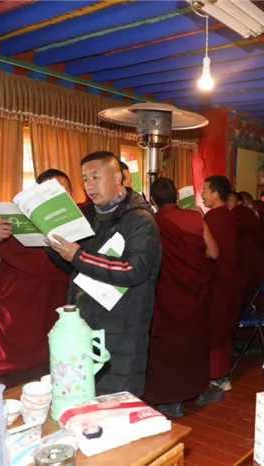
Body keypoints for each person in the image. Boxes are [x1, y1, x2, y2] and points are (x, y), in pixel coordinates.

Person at [46, 151, 161, 397]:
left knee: (116, 404)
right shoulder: (89, 216)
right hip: (84, 324)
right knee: (81, 398)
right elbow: (78, 269)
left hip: (122, 329)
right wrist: (55, 248)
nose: (89, 185)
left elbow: (133, 270)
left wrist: (78, 255)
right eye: (85, 179)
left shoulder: (139, 219)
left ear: (117, 178)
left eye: (95, 177)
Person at [0, 169, 72, 378]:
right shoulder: (17, 226)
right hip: (16, 329)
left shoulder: (77, 231)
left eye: (64, 192)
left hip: (54, 327)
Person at [144, 177, 218, 418]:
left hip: (166, 294)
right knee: (193, 344)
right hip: (193, 292)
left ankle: (169, 400)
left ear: (152, 200)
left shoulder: (151, 223)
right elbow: (213, 253)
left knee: (166, 348)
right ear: (177, 196)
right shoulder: (195, 217)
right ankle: (198, 390)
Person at [198, 175, 246, 401]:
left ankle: (215, 376)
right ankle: (223, 375)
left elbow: (210, 251)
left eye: (205, 190)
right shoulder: (230, 215)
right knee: (224, 329)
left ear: (216, 193)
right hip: (232, 280)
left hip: (217, 280)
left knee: (215, 328)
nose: (202, 194)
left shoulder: (213, 218)